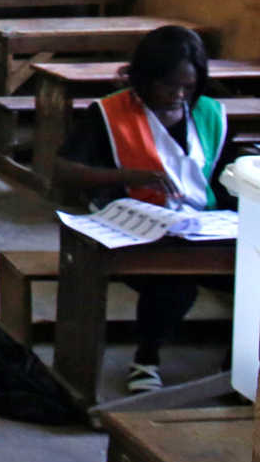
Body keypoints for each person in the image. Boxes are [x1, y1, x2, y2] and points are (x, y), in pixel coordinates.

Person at [53, 24, 236, 392]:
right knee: (173, 282)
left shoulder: (209, 114)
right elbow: (64, 170)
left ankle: (238, 368)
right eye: (169, 86)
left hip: (202, 227)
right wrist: (130, 175)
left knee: (252, 273)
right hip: (135, 227)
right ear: (146, 77)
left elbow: (224, 174)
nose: (178, 95)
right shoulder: (110, 113)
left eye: (188, 87)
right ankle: (145, 362)